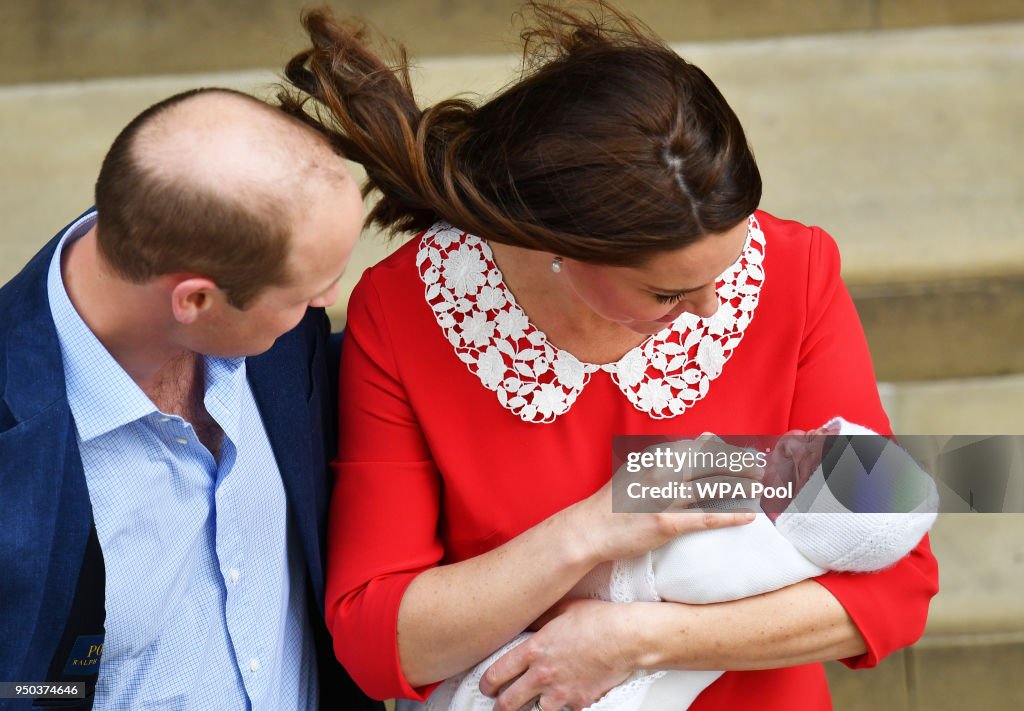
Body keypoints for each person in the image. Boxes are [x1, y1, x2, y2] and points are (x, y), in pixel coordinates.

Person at [280, 2, 940, 710]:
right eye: (668, 292)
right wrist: (589, 530)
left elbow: (897, 583)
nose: (716, 307)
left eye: (730, 260)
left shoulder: (792, 271)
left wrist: (635, 639)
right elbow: (381, 639)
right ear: (558, 243)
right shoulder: (410, 307)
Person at [0, 88, 381, 711]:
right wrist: (57, 693)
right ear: (195, 301)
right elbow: (15, 687)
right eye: (308, 291)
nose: (325, 303)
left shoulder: (284, 335)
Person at [428, 417, 940, 710]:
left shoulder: (738, 548)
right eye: (813, 435)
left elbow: (622, 581)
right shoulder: (762, 512)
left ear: (804, 516)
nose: (787, 439)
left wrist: (566, 589)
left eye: (799, 461)